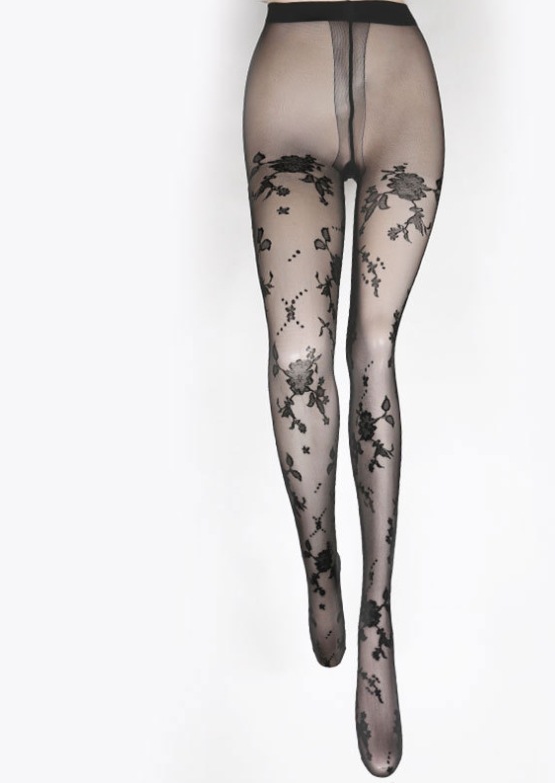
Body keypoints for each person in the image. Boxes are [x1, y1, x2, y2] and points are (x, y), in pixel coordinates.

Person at [242, 0, 444, 776]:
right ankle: (319, 560)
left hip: (398, 81)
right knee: (299, 356)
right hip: (291, 74)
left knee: (374, 348)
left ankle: (376, 618)